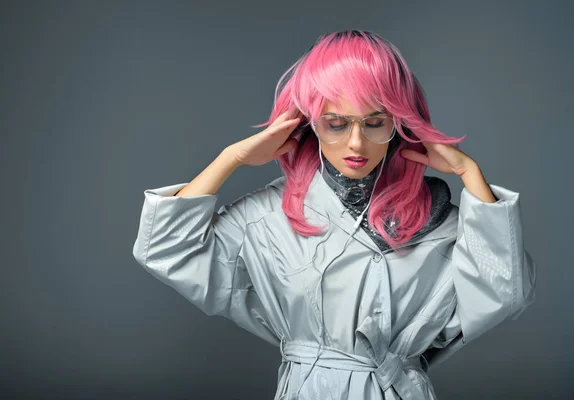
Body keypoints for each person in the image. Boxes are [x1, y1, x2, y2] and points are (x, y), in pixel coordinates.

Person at [132, 30, 537, 400]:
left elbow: (506, 291)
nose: (356, 142)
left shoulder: (437, 219)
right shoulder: (268, 216)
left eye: (376, 123)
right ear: (308, 123)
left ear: (401, 125)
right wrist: (231, 158)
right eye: (336, 124)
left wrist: (471, 175)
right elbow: (165, 249)